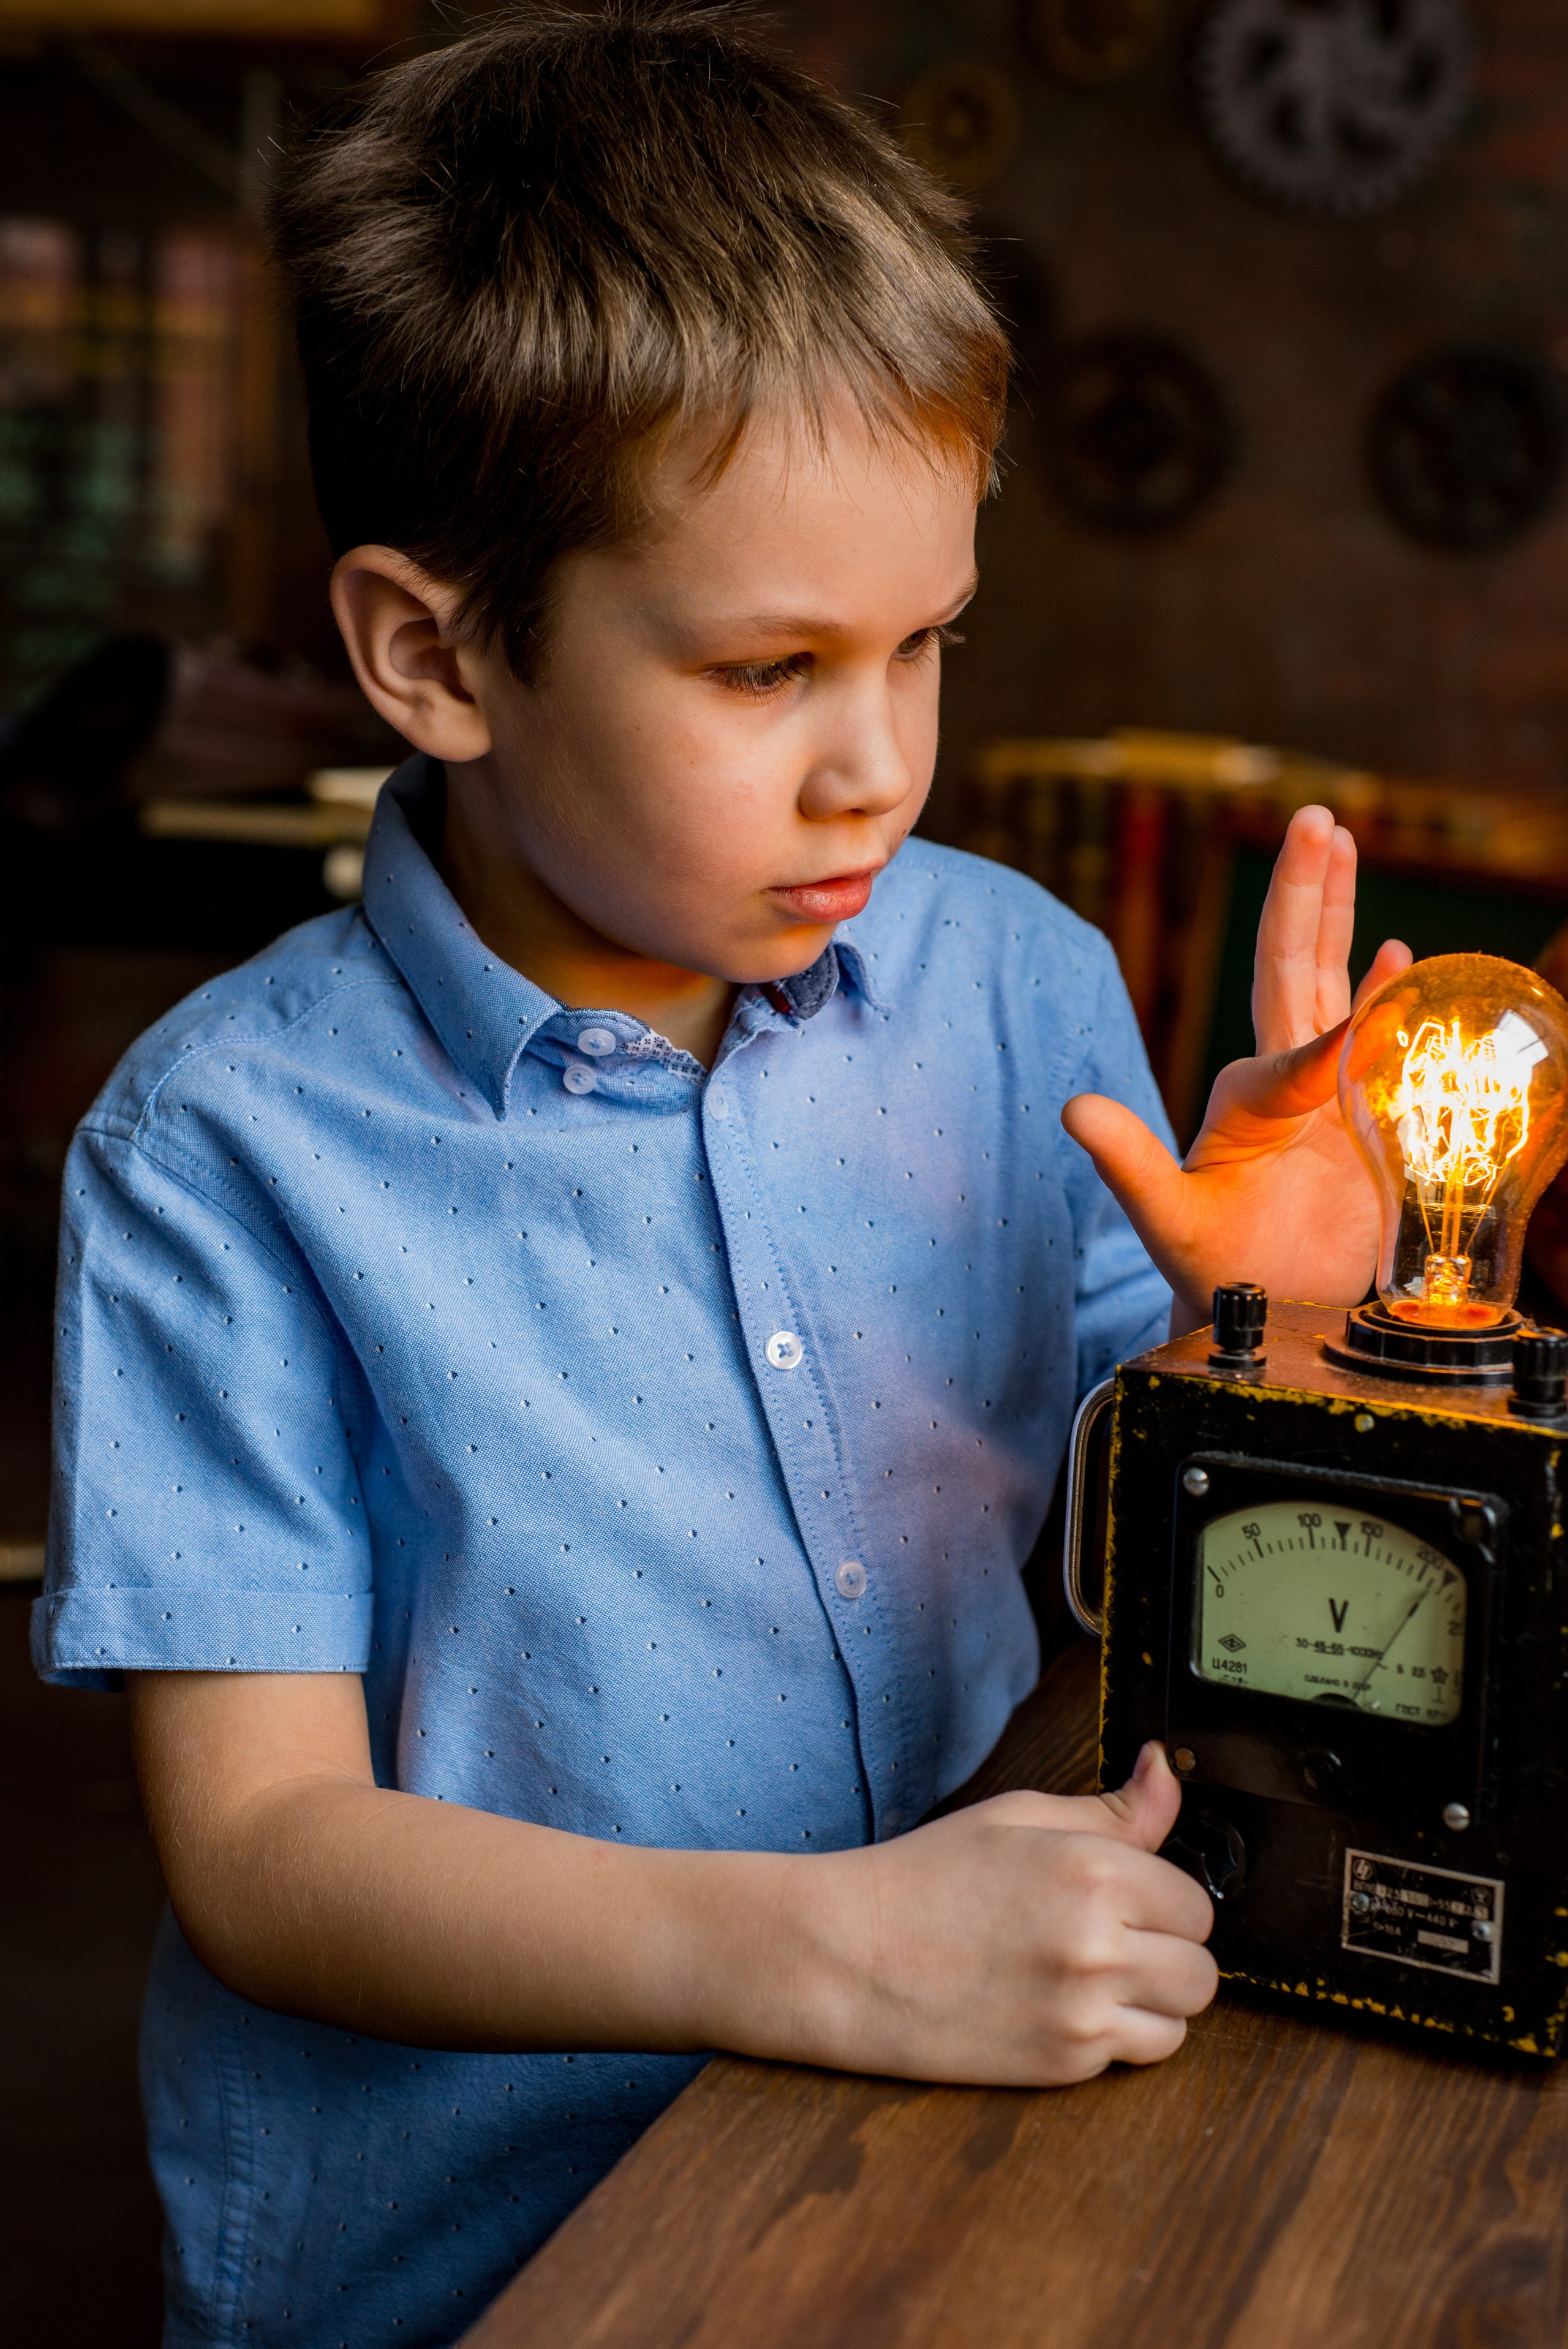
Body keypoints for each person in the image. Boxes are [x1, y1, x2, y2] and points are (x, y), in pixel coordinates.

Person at [32, 7, 1409, 2345]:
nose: (878, 767)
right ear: (433, 654)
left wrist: (1252, 1355)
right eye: (770, 669)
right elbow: (265, 1856)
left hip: (952, 2167)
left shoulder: (1019, 982)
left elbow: (1094, 1570)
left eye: (925, 645)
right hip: (466, 2264)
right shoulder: (222, 1147)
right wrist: (833, 1944)